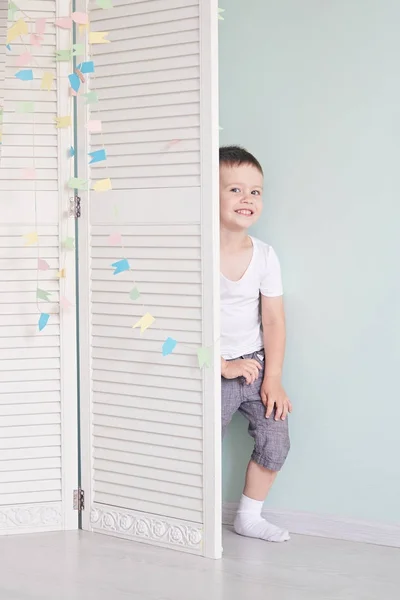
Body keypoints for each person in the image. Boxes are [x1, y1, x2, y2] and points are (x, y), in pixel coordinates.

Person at [220, 145, 292, 543]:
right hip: (211, 363)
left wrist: (274, 377)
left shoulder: (264, 255)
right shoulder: (195, 253)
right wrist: (221, 365)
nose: (247, 199)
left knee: (275, 437)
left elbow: (274, 319)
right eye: (234, 190)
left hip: (254, 363)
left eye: (256, 191)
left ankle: (249, 515)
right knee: (202, 442)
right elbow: (180, 320)